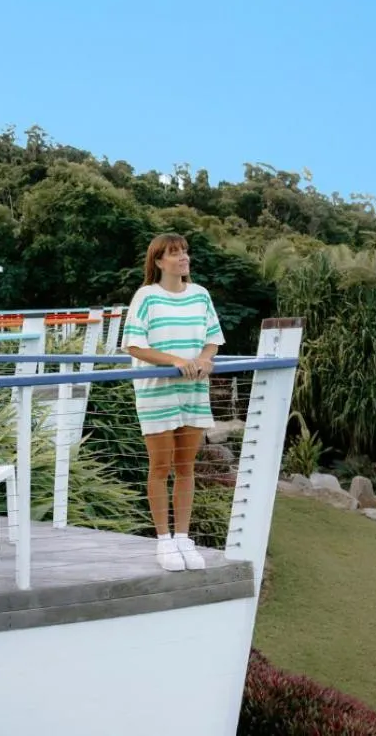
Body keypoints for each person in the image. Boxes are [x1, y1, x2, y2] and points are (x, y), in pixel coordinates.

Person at [121, 233, 225, 572]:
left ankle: (183, 538)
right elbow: (134, 346)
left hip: (193, 391)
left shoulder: (200, 295)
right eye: (174, 253)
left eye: (185, 252)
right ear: (159, 261)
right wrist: (175, 361)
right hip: (156, 392)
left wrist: (206, 358)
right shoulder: (146, 297)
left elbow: (212, 339)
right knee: (160, 468)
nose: (183, 258)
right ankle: (163, 541)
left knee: (186, 468)